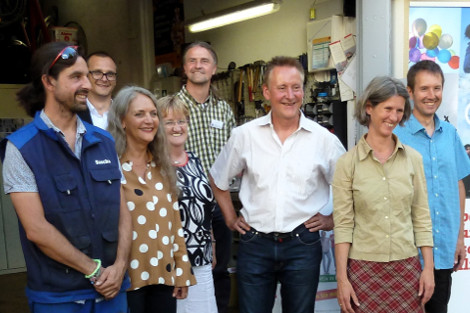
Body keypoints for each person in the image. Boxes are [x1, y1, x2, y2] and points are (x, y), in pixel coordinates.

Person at [0, 42, 131, 312]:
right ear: (48, 81)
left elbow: (123, 211)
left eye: (86, 75)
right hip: (58, 299)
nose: (87, 84)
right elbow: (36, 228)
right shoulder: (21, 148)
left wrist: (119, 267)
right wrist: (94, 271)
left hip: (113, 293)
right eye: (76, 77)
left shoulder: (104, 141)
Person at [209, 56, 346, 313]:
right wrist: (229, 218)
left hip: (302, 245)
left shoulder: (323, 140)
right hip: (254, 244)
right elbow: (218, 179)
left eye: (296, 87)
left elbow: (349, 187)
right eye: (281, 88)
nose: (289, 95)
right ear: (266, 92)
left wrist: (331, 220)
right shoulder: (244, 136)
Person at [333, 76, 435, 313]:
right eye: (387, 108)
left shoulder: (413, 160)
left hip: (406, 268)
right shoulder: (347, 164)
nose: (393, 117)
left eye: (399, 110)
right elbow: (343, 225)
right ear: (369, 107)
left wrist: (427, 269)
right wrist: (342, 279)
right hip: (362, 270)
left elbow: (421, 218)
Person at [107, 86, 196, 313]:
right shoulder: (110, 166)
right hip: (126, 279)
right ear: (122, 120)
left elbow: (175, 224)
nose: (149, 120)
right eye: (139, 114)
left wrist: (182, 269)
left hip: (163, 276)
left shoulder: (162, 165)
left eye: (153, 113)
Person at [394, 60, 470, 313]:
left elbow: (458, 184)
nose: (431, 95)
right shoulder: (396, 135)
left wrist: (459, 238)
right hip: (406, 251)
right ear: (410, 92)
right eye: (424, 89)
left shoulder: (450, 134)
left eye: (437, 88)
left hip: (444, 247)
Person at [176, 41, 236, 313]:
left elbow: (237, 155)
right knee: (183, 268)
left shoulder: (223, 110)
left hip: (219, 202)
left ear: (213, 69)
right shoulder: (170, 109)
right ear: (184, 67)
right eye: (192, 60)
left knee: (219, 268)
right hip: (182, 204)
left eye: (204, 61)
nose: (197, 65)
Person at [157, 95, 218, 313]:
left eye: (181, 121)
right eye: (169, 122)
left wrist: (211, 244)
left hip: (201, 258)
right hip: (171, 262)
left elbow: (205, 208)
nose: (177, 127)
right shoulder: (154, 165)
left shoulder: (195, 160)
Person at [78, 51, 117, 129]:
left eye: (110, 74)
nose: (104, 79)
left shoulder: (125, 113)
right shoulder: (73, 113)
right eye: (97, 73)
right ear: (86, 76)